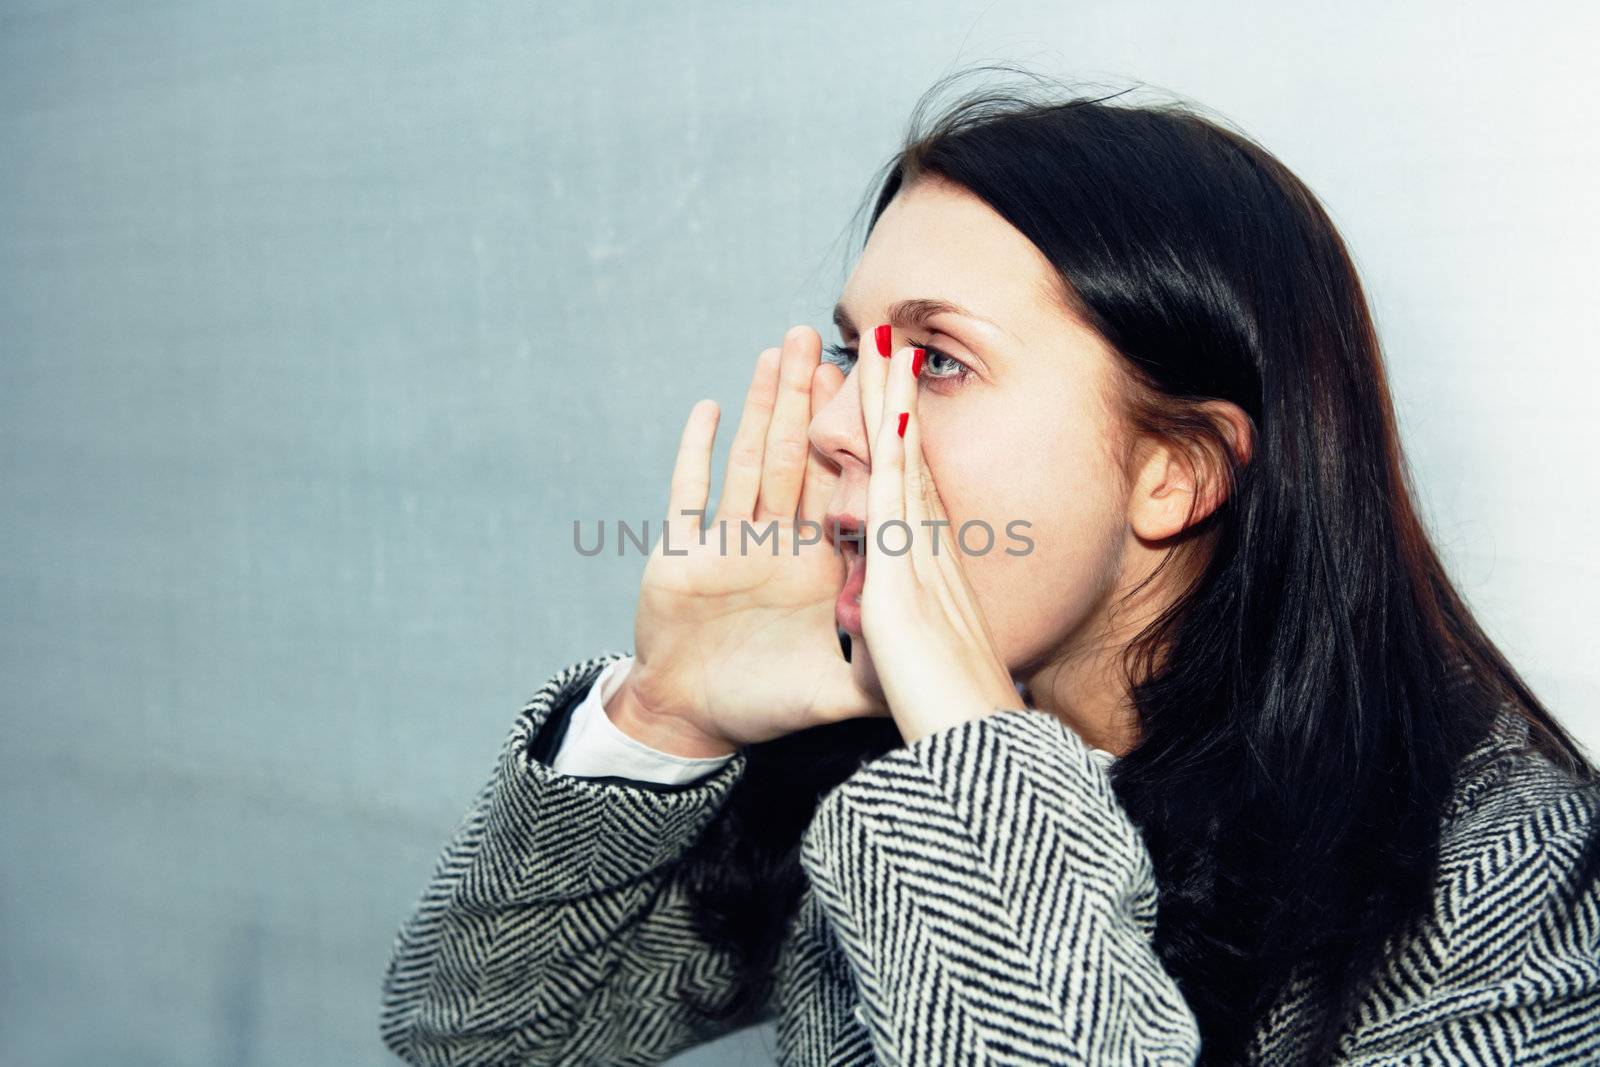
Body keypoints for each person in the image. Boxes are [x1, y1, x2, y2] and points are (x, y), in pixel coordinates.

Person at [379, 69, 1600, 1065]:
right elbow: (475, 1041)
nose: (840, 419)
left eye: (939, 362)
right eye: (860, 350)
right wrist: (666, 716)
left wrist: (969, 754)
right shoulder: (861, 745)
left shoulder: (1509, 882)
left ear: (1173, 472)